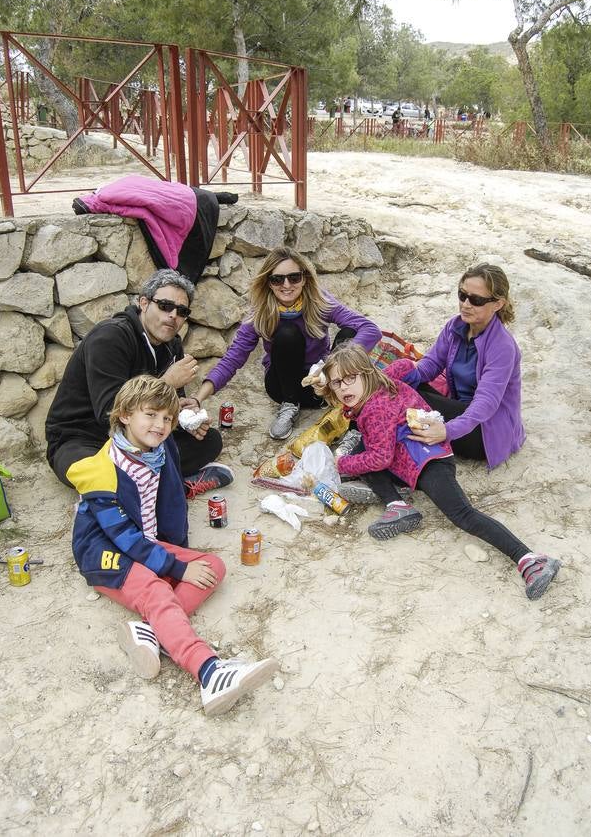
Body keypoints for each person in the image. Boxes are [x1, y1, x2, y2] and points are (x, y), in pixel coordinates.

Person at [68, 375, 278, 715]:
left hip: (144, 542)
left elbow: (168, 504)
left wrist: (181, 553)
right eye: (150, 415)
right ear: (123, 415)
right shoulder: (102, 471)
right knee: (157, 591)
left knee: (212, 568)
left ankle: (150, 631)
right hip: (105, 554)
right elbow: (123, 538)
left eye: (167, 418)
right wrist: (177, 567)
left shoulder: (157, 450)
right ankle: (209, 672)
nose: (160, 425)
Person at [320, 343, 561, 600]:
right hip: (411, 455)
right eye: (337, 383)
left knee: (463, 514)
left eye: (350, 378)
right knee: (365, 447)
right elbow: (405, 365)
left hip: (429, 462)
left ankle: (529, 559)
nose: (344, 387)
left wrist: (342, 464)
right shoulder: (383, 381)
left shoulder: (374, 410)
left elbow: (380, 457)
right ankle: (397, 504)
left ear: (367, 375)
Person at [46, 269, 231, 498]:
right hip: (84, 437)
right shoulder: (110, 338)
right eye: (165, 305)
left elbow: (166, 409)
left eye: (181, 311)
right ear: (144, 303)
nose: (173, 315)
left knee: (209, 441)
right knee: (98, 472)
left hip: (141, 436)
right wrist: (166, 383)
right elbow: (109, 413)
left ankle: (145, 486)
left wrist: (184, 414)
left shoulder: (172, 345)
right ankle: (172, 485)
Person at [194, 247, 381, 440]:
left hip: (321, 383)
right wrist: (197, 398)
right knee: (287, 333)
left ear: (304, 278)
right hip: (282, 386)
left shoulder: (320, 301)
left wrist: (331, 366)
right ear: (268, 283)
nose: (286, 285)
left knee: (349, 334)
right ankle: (290, 406)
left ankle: (343, 403)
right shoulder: (260, 313)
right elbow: (232, 358)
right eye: (277, 279)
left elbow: (370, 330)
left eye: (294, 277)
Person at [401, 263, 525, 469]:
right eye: (462, 295)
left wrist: (447, 431)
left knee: (407, 398)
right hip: (458, 410)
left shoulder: (503, 347)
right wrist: (396, 375)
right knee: (402, 386)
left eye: (476, 300)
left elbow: (486, 403)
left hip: (484, 430)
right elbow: (430, 365)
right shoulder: (455, 326)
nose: (466, 304)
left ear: (498, 304)